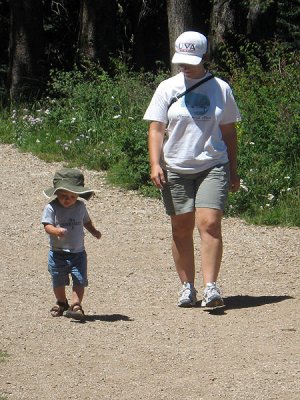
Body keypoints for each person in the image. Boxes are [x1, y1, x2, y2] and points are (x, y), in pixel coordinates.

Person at [143, 31, 241, 308]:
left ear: (203, 57)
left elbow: (229, 131)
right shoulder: (167, 88)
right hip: (175, 166)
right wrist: (155, 163)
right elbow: (156, 128)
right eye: (181, 61)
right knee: (181, 227)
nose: (184, 66)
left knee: (209, 223)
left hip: (213, 164)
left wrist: (233, 169)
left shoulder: (220, 88)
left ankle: (211, 287)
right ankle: (187, 287)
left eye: (191, 61)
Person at [42, 168, 101, 320]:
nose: (67, 199)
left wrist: (93, 231)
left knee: (79, 279)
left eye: (72, 196)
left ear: (78, 195)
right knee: (58, 279)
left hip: (78, 253)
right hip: (57, 252)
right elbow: (46, 225)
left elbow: (86, 221)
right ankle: (61, 302)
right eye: (63, 196)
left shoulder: (80, 207)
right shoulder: (52, 207)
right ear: (56, 193)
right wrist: (55, 231)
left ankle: (76, 305)